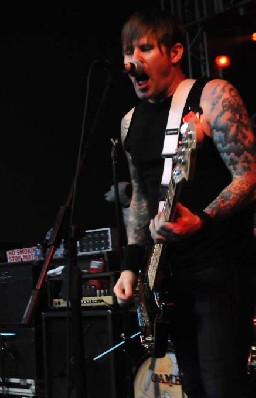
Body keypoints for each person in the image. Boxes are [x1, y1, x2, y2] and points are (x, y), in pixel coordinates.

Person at [112, 8, 256, 398]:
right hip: (169, 280)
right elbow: (141, 198)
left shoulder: (213, 96)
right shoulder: (130, 121)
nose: (132, 61)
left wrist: (203, 221)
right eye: (128, 51)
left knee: (222, 385)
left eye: (144, 48)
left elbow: (249, 176)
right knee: (191, 386)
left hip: (219, 270)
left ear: (175, 52)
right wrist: (130, 266)